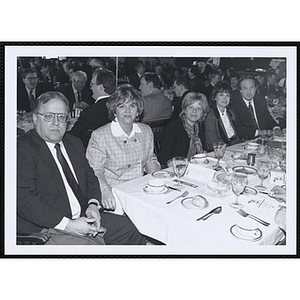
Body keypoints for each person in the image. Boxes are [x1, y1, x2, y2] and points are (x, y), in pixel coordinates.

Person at [17, 91, 146, 245]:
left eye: (61, 117)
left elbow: (90, 176)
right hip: (48, 226)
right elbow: (25, 200)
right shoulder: (22, 149)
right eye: (49, 116)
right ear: (35, 118)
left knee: (133, 230)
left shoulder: (73, 143)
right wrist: (69, 225)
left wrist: (93, 205)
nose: (56, 123)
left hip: (84, 215)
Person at [86, 84, 161, 211]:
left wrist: (155, 178)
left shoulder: (146, 130)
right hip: (114, 195)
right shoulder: (101, 135)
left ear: (138, 110)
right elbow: (95, 171)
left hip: (140, 191)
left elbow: (150, 158)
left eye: (132, 106)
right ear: (114, 110)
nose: (127, 111)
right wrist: (106, 191)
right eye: (122, 106)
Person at [158, 92, 209, 168]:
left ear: (202, 113)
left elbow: (203, 149)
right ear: (185, 110)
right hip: (177, 169)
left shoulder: (200, 127)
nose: (194, 111)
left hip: (195, 167)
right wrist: (171, 162)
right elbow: (163, 156)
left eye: (199, 108)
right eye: (190, 107)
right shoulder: (173, 127)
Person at [68, 68, 116, 148]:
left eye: (92, 85)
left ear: (100, 87)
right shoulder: (119, 107)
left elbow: (73, 137)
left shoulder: (89, 113)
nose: (90, 88)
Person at [230, 75, 278, 140]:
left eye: (251, 88)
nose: (249, 92)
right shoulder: (234, 105)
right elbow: (239, 129)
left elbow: (268, 118)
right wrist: (259, 132)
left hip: (264, 138)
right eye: (245, 88)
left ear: (256, 88)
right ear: (240, 90)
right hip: (246, 140)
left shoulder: (260, 99)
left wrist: (276, 127)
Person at [204, 81, 241, 152]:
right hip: (220, 151)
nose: (225, 99)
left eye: (227, 95)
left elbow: (235, 137)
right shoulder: (210, 115)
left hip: (233, 148)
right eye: (221, 95)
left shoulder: (231, 112)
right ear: (214, 97)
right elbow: (212, 143)